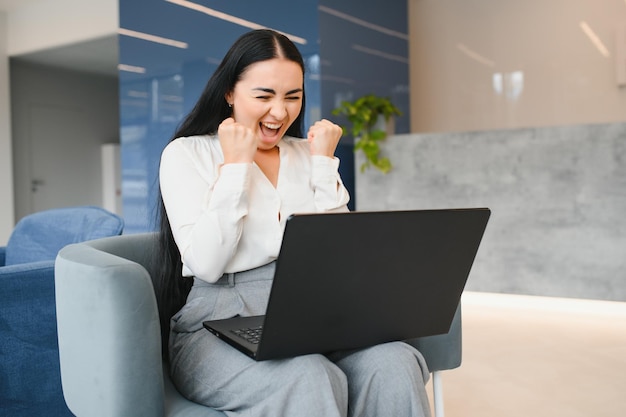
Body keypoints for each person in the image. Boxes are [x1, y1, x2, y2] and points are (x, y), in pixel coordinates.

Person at [157, 29, 432, 417]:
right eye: (264, 96)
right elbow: (206, 263)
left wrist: (323, 163)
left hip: (316, 314)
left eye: (293, 97)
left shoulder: (308, 153)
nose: (280, 112)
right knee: (308, 375)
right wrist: (235, 166)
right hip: (217, 321)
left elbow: (345, 255)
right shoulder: (187, 154)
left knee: (395, 363)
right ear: (230, 93)